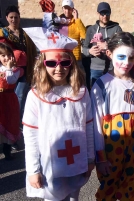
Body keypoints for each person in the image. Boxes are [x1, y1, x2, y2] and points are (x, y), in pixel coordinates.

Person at [22, 27, 94, 201]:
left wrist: (90, 157)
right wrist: (33, 170)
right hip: (50, 168)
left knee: (73, 198)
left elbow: (89, 126)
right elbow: (30, 135)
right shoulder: (35, 95)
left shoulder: (81, 92)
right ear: (43, 65)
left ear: (72, 64)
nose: (59, 68)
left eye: (65, 63)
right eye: (52, 63)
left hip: (76, 161)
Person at [91, 32, 134, 201]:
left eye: (131, 58)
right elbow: (96, 123)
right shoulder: (102, 84)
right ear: (109, 54)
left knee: (132, 188)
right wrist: (100, 157)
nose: (126, 62)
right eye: (121, 56)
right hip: (111, 149)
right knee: (108, 188)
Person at [0, 5, 37, 128]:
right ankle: (10, 121)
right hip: (8, 69)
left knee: (21, 95)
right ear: (6, 18)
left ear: (19, 18)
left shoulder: (24, 33)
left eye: (16, 17)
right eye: (11, 17)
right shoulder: (2, 33)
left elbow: (31, 48)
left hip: (24, 69)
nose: (14, 20)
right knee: (10, 96)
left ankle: (18, 121)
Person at [83, 2, 122, 87]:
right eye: (102, 13)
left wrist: (108, 46)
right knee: (95, 95)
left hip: (112, 68)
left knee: (111, 94)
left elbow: (121, 46)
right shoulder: (91, 30)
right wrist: (89, 51)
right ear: (98, 14)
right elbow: (84, 48)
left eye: (107, 13)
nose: (105, 16)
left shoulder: (116, 29)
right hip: (95, 69)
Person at [0, 42, 23, 160]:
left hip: (9, 100)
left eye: (9, 55)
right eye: (3, 55)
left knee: (9, 123)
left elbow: (10, 80)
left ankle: (7, 150)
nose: (6, 58)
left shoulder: (15, 70)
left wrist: (8, 68)